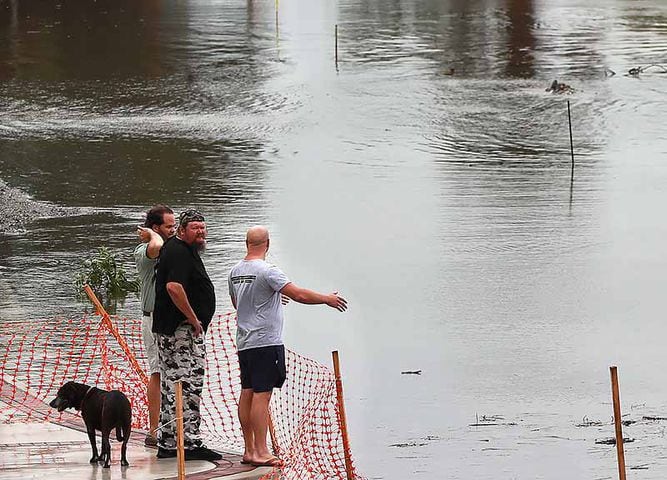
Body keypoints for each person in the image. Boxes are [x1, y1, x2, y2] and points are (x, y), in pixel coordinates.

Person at [228, 226, 348, 467]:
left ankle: (249, 449)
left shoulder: (235, 271)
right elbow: (299, 295)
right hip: (265, 342)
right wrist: (327, 299)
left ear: (246, 243)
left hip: (245, 341)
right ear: (268, 244)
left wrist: (270, 297)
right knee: (262, 395)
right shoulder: (268, 271)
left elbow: (238, 303)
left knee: (248, 391)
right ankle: (261, 451)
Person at [152, 209, 221, 461]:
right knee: (186, 386)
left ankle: (169, 442)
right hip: (180, 332)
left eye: (203, 227)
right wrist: (193, 318)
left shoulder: (180, 249)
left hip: (174, 330)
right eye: (195, 227)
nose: (200, 231)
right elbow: (174, 287)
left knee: (173, 385)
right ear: (182, 230)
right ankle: (189, 444)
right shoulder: (179, 251)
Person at [134, 204, 176, 447]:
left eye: (174, 225)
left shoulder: (173, 250)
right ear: (156, 227)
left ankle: (173, 427)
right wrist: (151, 236)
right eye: (168, 226)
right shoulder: (144, 251)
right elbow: (156, 247)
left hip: (172, 321)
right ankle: (154, 429)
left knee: (175, 374)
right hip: (152, 319)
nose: (173, 229)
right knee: (157, 372)